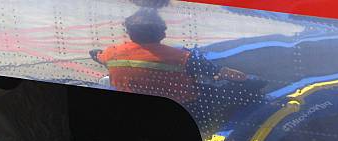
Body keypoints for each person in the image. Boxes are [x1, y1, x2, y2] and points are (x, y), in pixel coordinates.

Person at [90, 8, 246, 104]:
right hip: (185, 107)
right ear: (162, 33)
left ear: (129, 32)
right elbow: (221, 73)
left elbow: (96, 55)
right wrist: (245, 78)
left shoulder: (112, 53)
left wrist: (99, 54)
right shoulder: (184, 57)